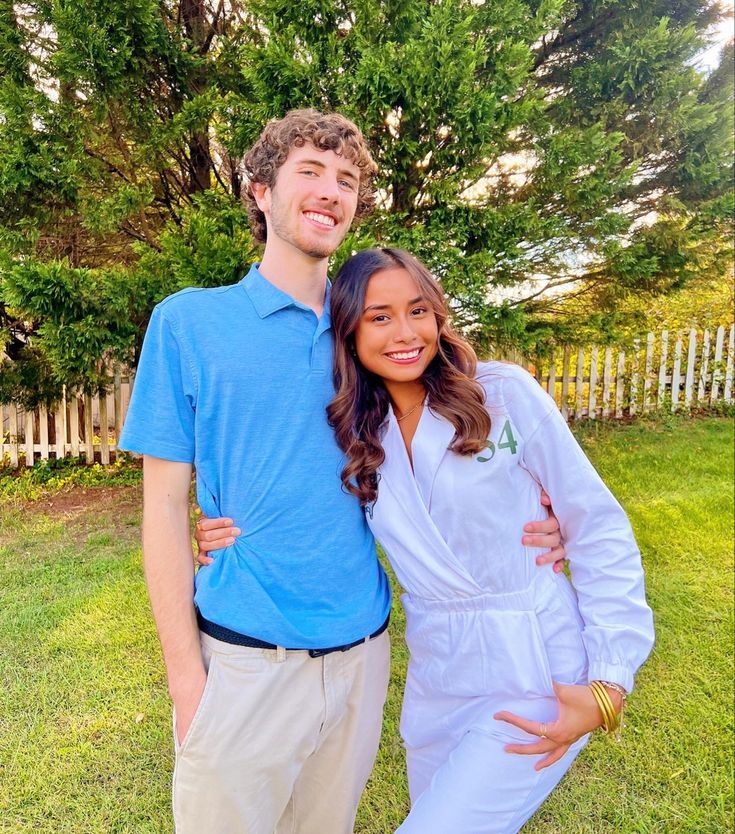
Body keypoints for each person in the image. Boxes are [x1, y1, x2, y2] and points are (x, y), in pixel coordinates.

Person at [118, 110, 566, 834]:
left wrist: (547, 519)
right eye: (310, 172)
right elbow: (163, 508)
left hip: (362, 655)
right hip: (242, 661)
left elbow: (463, 444)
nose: (331, 190)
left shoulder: (375, 328)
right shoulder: (188, 324)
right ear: (260, 190)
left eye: (347, 180)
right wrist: (186, 681)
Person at [197, 247, 655, 833]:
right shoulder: (359, 433)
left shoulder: (502, 396)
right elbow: (292, 500)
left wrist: (612, 678)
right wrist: (219, 530)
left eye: (418, 310)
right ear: (349, 332)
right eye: (379, 316)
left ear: (439, 316)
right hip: (438, 675)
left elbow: (597, 525)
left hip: (535, 664)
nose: (406, 332)